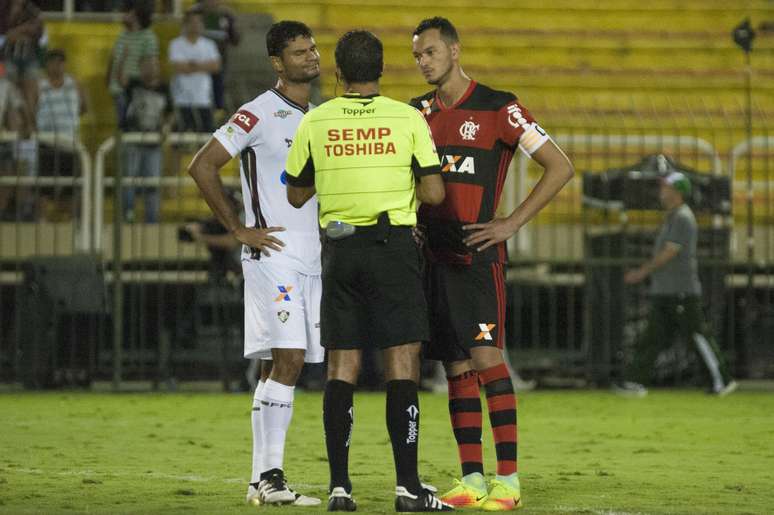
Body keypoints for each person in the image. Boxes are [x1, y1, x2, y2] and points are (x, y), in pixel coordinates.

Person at [410, 17, 574, 511]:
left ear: (455, 51)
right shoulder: (413, 113)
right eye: (417, 55)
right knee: (455, 365)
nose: (423, 62)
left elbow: (560, 165)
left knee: (486, 360)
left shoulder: (500, 106)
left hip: (479, 257)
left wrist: (511, 223)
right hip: (433, 257)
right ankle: (472, 478)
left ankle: (508, 480)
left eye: (431, 52)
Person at [285, 29, 452, 513]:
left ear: (338, 72)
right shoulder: (407, 118)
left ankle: (340, 488)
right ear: (382, 70)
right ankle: (407, 487)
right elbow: (435, 193)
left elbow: (296, 193)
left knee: (343, 365)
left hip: (340, 251)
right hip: (393, 247)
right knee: (402, 362)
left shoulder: (316, 120)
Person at [187, 20, 323, 507]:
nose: (311, 56)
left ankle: (257, 482)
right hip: (274, 256)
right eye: (299, 51)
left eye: (312, 48)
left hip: (312, 257)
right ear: (276, 62)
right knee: (289, 359)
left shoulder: (321, 116)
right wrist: (237, 228)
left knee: (277, 364)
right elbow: (202, 165)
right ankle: (272, 476)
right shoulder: (256, 113)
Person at [619, 172, 737, 396]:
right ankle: (634, 381)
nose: (661, 191)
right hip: (666, 290)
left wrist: (641, 272)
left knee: (697, 335)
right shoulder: (674, 217)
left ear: (676, 191)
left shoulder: (683, 217)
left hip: (681, 290)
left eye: (666, 187)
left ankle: (721, 379)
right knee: (652, 337)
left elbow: (669, 252)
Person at [34, 49, 87, 220]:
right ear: (47, 64)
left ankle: (72, 224)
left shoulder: (75, 84)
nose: (56, 65)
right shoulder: (39, 85)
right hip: (46, 142)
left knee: (71, 188)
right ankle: (40, 223)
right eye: (52, 62)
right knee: (43, 187)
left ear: (64, 64)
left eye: (60, 61)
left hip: (69, 143)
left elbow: (84, 108)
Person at [121, 54, 172, 223]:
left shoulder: (165, 88)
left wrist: (166, 126)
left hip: (153, 141)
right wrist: (122, 57)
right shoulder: (133, 85)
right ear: (140, 68)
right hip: (132, 139)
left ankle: (151, 221)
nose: (151, 68)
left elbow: (169, 112)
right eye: (147, 65)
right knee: (129, 180)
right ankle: (127, 216)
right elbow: (119, 79)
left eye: (154, 65)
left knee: (152, 183)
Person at [106, 1, 158, 126]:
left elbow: (150, 68)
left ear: (135, 14)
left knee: (131, 128)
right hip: (117, 91)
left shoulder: (147, 37)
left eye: (125, 12)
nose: (122, 15)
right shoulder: (123, 35)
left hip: (134, 93)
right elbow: (114, 60)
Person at [169, 9, 221, 133]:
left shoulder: (209, 45)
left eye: (199, 22)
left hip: (204, 99)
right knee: (182, 140)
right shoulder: (176, 44)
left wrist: (191, 65)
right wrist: (203, 65)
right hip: (182, 99)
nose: (196, 25)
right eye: (193, 22)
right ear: (185, 24)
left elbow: (216, 67)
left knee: (205, 138)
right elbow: (179, 68)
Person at [0, 0, 44, 128]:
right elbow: (6, 36)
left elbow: (38, 33)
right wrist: (19, 31)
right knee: (10, 96)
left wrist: (14, 33)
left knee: (30, 97)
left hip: (29, 57)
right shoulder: (3, 9)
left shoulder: (32, 9)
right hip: (5, 59)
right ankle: (12, 131)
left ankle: (30, 129)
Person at [192, 0, 240, 111]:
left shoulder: (226, 15)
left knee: (217, 89)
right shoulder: (194, 13)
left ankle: (217, 113)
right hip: (196, 62)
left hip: (218, 62)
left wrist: (232, 22)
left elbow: (235, 40)